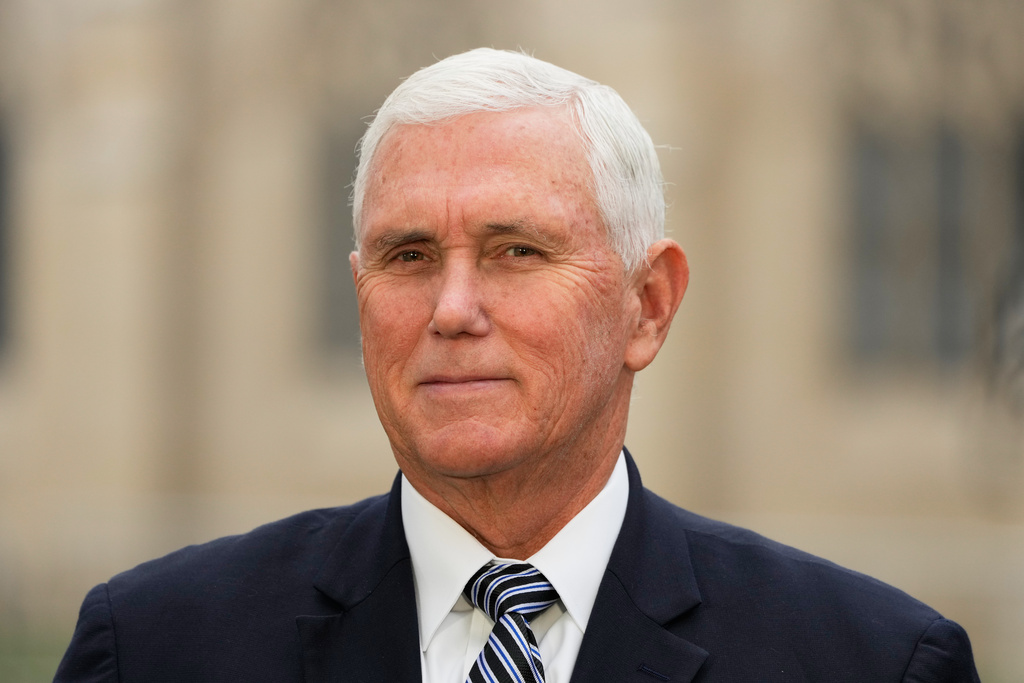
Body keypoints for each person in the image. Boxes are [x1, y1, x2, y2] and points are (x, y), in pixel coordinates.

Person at [54, 48, 980, 683]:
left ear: (648, 305)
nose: (452, 309)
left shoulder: (871, 661)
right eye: (409, 256)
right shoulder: (153, 647)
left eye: (517, 251)